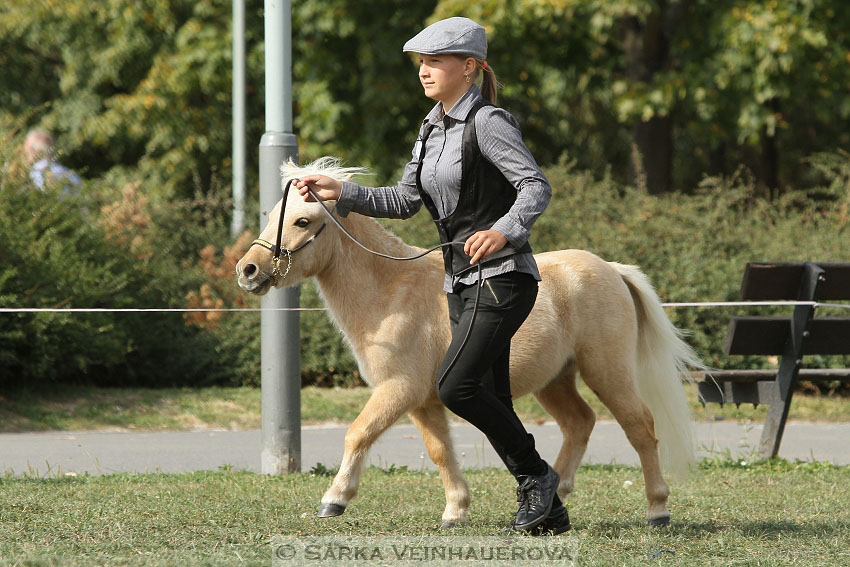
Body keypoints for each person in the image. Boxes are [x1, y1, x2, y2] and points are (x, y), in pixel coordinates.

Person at [295, 17, 568, 535]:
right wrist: (339, 191)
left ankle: (537, 477)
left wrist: (504, 231)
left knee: (455, 386)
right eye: (421, 62)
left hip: (505, 276)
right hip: (459, 281)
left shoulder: (489, 122)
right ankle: (548, 509)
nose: (424, 71)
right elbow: (402, 200)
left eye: (435, 61)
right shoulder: (430, 128)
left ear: (469, 67)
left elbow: (535, 187)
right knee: (493, 395)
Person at [24, 128, 81, 197]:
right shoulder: (71, 174)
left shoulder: (35, 174)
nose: (25, 154)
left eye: (27, 149)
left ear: (36, 152)